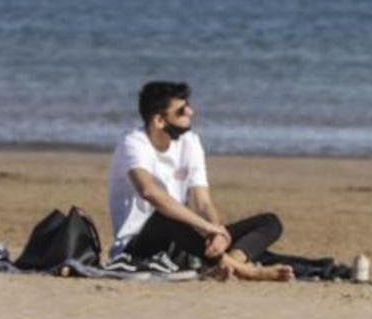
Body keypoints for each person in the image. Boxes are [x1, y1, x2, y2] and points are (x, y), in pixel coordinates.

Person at [107, 81, 292, 281]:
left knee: (270, 222)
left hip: (181, 242)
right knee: (168, 216)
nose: (191, 112)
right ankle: (246, 270)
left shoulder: (190, 142)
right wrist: (205, 228)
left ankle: (229, 263)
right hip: (138, 245)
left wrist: (216, 234)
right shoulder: (133, 142)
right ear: (159, 120)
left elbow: (203, 202)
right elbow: (149, 192)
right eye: (181, 111)